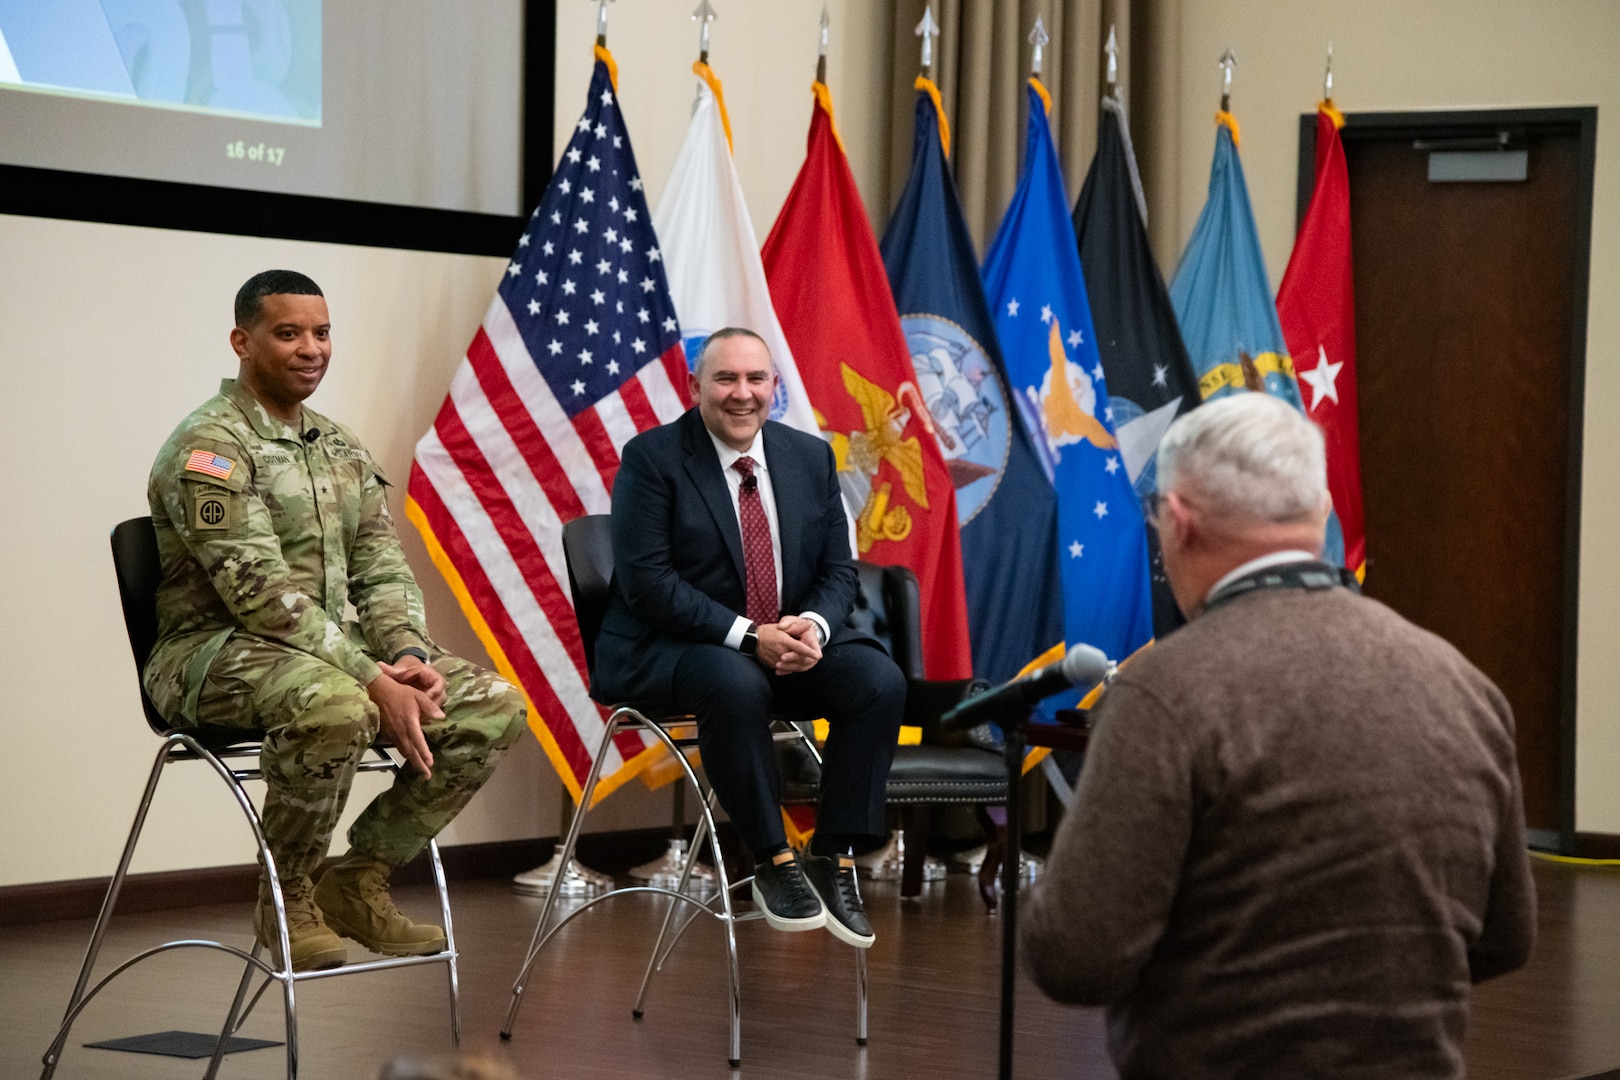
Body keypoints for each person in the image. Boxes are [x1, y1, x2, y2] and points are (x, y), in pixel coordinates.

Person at [1021, 392, 1535, 1079]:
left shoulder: (1166, 692)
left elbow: (1075, 956)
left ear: (1176, 523)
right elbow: (1505, 938)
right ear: (1320, 516)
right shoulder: (1465, 687)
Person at [145, 270, 527, 973]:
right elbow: (257, 594)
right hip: (212, 656)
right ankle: (285, 895)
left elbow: (381, 568)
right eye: (288, 333)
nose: (310, 348)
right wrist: (371, 677)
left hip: (330, 653)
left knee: (491, 704)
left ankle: (359, 879)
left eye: (321, 333)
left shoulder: (338, 446)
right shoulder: (210, 450)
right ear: (243, 340)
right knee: (340, 705)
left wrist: (407, 653)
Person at [592, 327, 906, 949]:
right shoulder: (652, 459)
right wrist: (748, 636)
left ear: (774, 387)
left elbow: (838, 571)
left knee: (877, 680)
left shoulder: (808, 457)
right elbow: (649, 583)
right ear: (695, 387)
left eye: (756, 379)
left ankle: (832, 854)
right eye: (725, 379)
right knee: (733, 678)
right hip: (670, 648)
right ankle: (772, 859)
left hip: (779, 644)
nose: (742, 394)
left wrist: (810, 626)